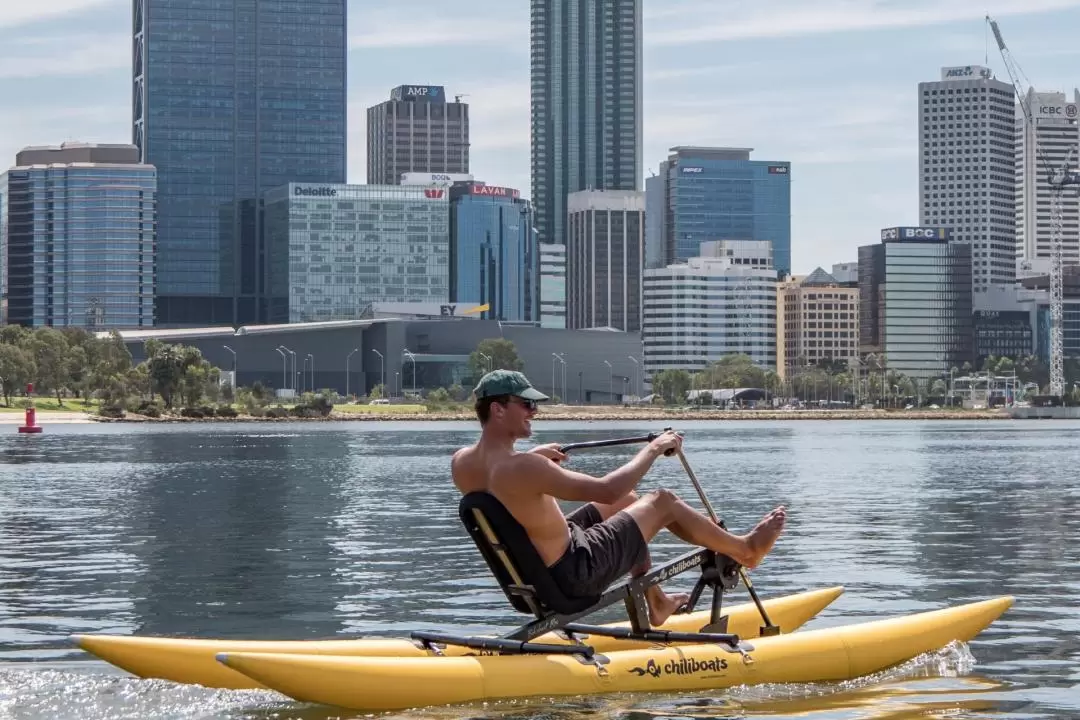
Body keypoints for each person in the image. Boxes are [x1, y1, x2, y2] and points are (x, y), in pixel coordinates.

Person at [451, 369, 787, 627]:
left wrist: (534, 456)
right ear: (497, 409)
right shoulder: (525, 467)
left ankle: (656, 603)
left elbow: (507, 488)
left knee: (626, 500)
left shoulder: (463, 463)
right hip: (575, 573)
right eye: (526, 404)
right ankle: (746, 549)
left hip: (539, 571)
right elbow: (605, 488)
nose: (534, 411)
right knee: (661, 501)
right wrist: (654, 449)